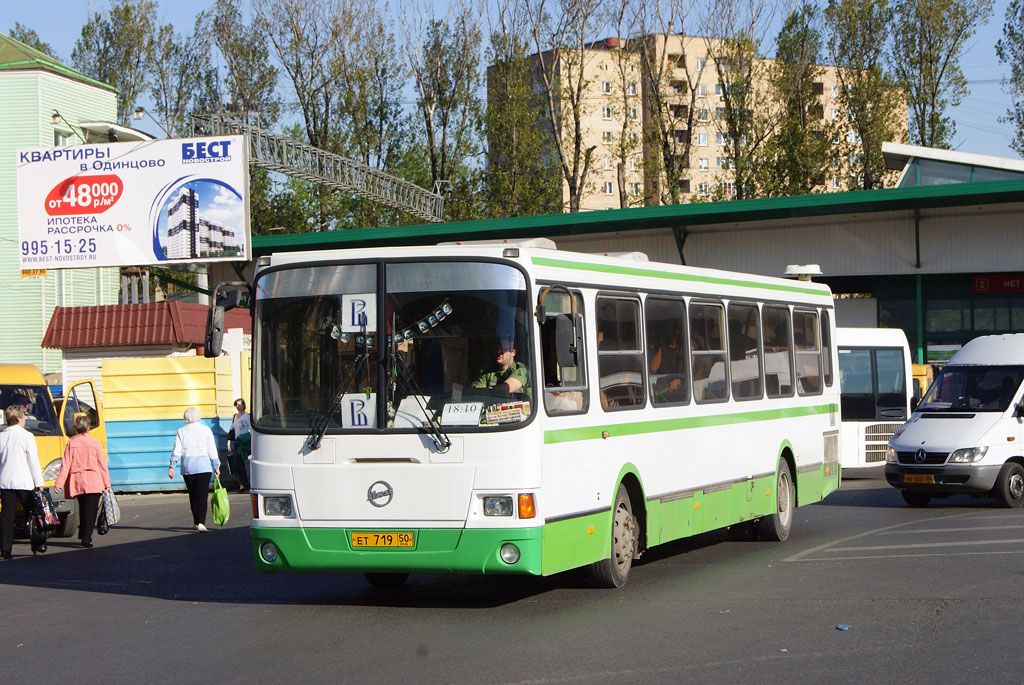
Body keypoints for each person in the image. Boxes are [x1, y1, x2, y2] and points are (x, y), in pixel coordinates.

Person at [53, 414, 111, 549]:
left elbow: (65, 465)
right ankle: (86, 537)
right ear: (88, 428)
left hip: (77, 481)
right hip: (94, 480)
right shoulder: (95, 443)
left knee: (83, 509)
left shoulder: (71, 443)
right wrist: (107, 484)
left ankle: (83, 534)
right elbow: (102, 465)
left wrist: (59, 483)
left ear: (76, 428)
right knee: (91, 511)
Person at [0, 405, 45, 558]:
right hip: (24, 481)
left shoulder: (1, 436)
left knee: (7, 515)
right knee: (32, 513)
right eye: (24, 417)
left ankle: (6, 549)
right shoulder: (27, 436)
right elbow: (33, 461)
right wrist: (39, 482)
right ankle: (37, 543)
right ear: (19, 418)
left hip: (5, 481)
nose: (25, 419)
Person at [168, 407, 220, 532]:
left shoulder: (181, 431)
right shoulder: (206, 430)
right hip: (204, 467)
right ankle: (201, 522)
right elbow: (212, 449)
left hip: (188, 467)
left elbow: (177, 450)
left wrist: (172, 466)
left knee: (193, 495)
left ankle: (196, 521)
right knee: (202, 495)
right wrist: (216, 466)